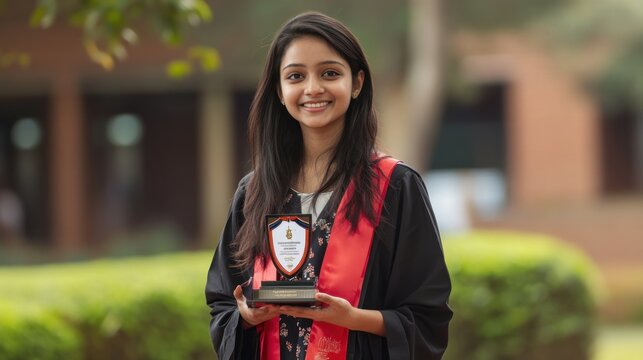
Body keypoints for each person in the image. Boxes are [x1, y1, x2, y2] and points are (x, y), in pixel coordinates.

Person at [205, 12, 452, 360]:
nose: (312, 89)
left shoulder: (396, 187)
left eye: (330, 73)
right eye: (296, 76)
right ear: (279, 89)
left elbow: (428, 318)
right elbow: (221, 305)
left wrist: (353, 319)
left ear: (357, 83)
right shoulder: (255, 192)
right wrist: (245, 317)